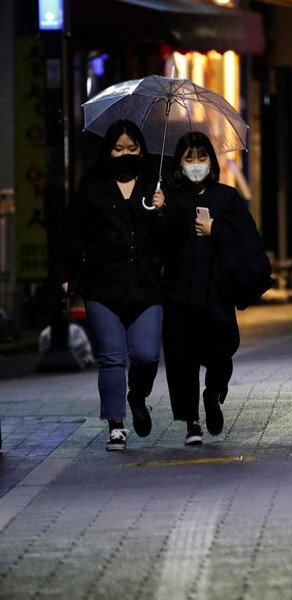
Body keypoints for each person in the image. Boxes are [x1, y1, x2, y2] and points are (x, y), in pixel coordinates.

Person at [62, 119, 171, 451]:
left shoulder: (155, 185)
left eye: (132, 148)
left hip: (145, 285)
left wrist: (162, 211)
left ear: (141, 149)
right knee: (111, 357)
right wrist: (67, 276)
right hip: (103, 284)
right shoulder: (92, 188)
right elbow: (72, 234)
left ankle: (137, 396)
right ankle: (115, 424)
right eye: (118, 148)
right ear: (107, 150)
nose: (125, 154)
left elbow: (169, 241)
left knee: (147, 355)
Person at [162, 131, 263, 446]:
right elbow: (160, 244)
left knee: (222, 350)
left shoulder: (227, 197)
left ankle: (214, 392)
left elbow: (247, 237)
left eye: (202, 157)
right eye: (189, 158)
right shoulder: (170, 196)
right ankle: (192, 422)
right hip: (179, 293)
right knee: (183, 359)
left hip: (216, 293)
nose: (196, 164)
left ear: (212, 161)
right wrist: (161, 210)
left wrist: (215, 228)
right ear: (179, 163)